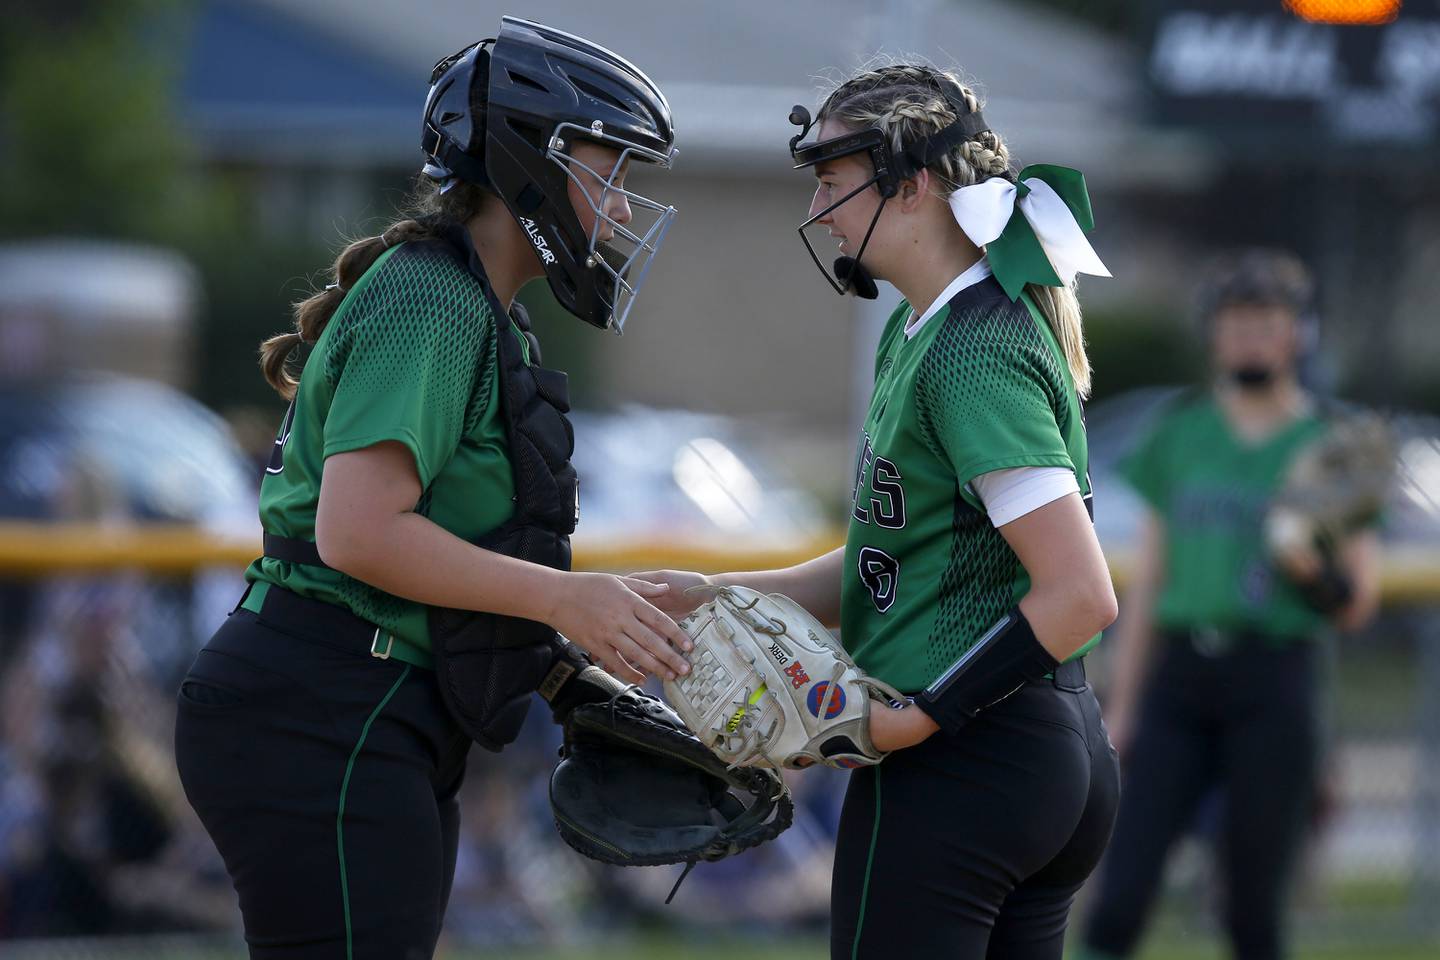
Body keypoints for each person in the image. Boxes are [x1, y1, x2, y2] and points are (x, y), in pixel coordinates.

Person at [173, 18, 693, 959]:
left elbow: (451, 556)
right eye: (607, 167)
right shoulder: (433, 299)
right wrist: (565, 598)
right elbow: (360, 536)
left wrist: (566, 674)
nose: (620, 206)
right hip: (321, 703)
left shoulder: (478, 308)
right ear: (529, 158)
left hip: (361, 705)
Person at [634, 62, 1120, 959]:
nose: (820, 207)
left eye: (832, 179)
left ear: (915, 185)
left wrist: (915, 719)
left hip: (972, 755)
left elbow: (1081, 595)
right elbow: (884, 557)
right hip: (1028, 752)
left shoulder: (973, 346)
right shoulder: (925, 325)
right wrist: (719, 592)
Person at [1078, 249, 1383, 960]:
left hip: (1275, 675)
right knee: (1120, 896)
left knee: (1252, 906)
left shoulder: (1331, 444)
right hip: (1182, 678)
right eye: (1237, 324)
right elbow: (1150, 579)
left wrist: (1311, 570)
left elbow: (1356, 603)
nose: (1250, 338)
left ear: (1296, 335)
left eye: (1267, 323)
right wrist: (1124, 704)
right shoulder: (1181, 431)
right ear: (1215, 335)